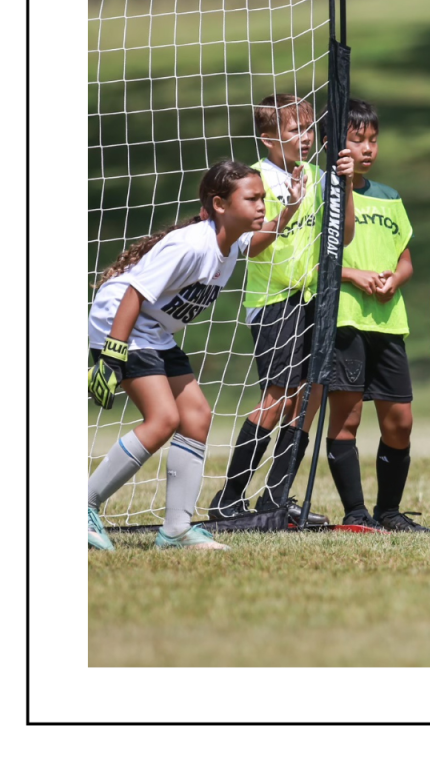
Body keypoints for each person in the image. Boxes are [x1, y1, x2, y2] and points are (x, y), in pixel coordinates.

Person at [86, 160, 294, 551]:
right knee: (164, 419)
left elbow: (257, 242)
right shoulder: (191, 245)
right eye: (252, 199)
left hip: (153, 331)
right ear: (219, 204)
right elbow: (133, 293)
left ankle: (176, 530)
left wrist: (290, 210)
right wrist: (113, 354)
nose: (261, 206)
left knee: (196, 416)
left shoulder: (230, 240)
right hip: (120, 321)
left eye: (263, 198)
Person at [208, 96, 354, 524]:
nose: (306, 138)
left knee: (311, 394)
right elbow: (250, 247)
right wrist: (288, 209)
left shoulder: (317, 175)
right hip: (273, 302)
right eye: (295, 130)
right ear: (269, 138)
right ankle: (228, 497)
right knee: (278, 397)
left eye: (309, 129)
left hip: (313, 299)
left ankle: (275, 497)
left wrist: (345, 184)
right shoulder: (256, 182)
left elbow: (344, 235)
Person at [322, 99, 430, 532]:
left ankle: (389, 512)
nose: (367, 148)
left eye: (373, 140)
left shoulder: (390, 197)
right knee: (347, 419)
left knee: (400, 422)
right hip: (346, 320)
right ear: (334, 145)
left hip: (389, 322)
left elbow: (406, 259)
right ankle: (355, 513)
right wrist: (355, 276)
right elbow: (315, 261)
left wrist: (395, 280)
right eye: (357, 140)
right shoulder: (324, 195)